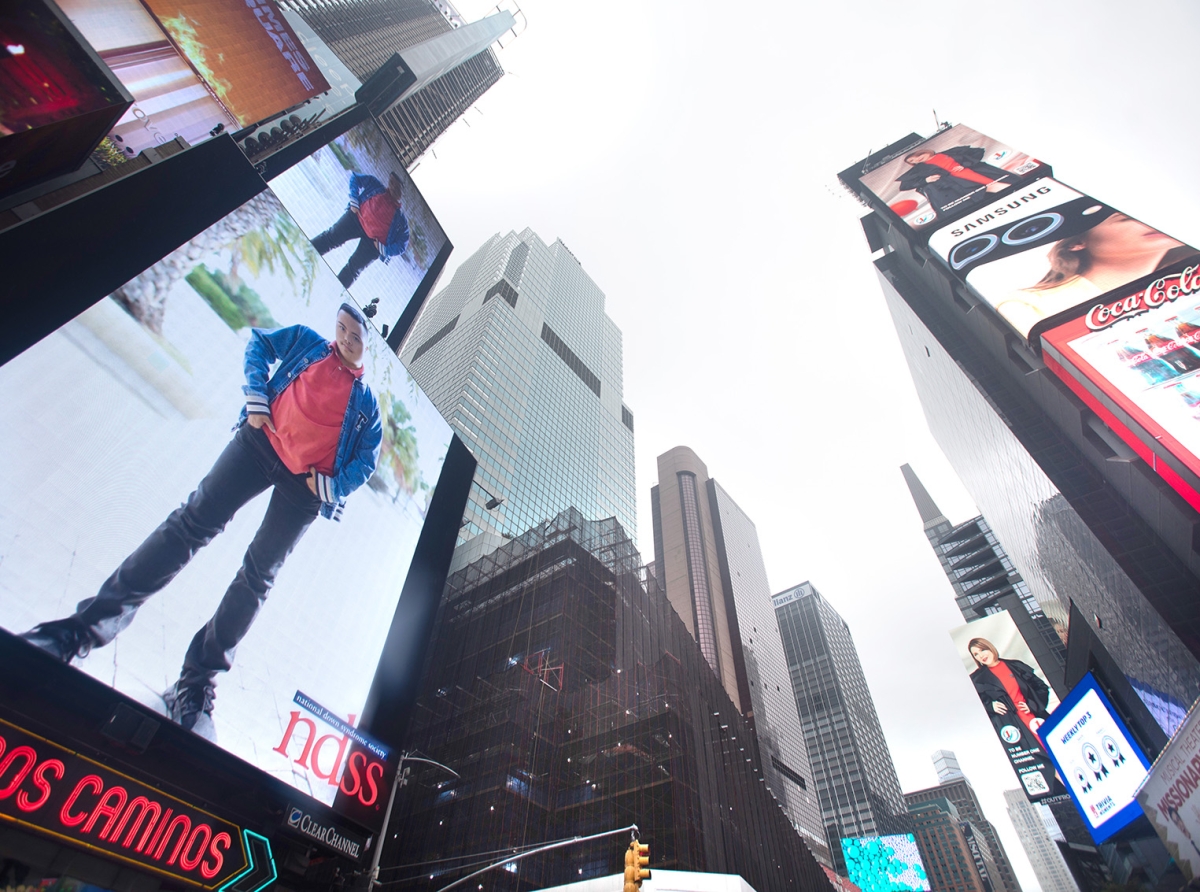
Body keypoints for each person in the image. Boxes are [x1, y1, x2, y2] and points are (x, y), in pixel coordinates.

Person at [20, 305, 382, 741]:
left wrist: (329, 487)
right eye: (341, 329)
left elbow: (366, 461)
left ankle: (194, 685)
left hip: (303, 489)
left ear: (368, 347)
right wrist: (256, 398)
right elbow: (259, 343)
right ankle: (77, 633)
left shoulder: (368, 404)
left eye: (354, 337)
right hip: (257, 445)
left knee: (258, 577)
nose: (344, 339)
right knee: (189, 525)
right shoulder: (306, 341)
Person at [995, 213, 1199, 335]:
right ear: (1076, 243)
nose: (1150, 219)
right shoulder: (1027, 306)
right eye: (1127, 218)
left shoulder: (1188, 278)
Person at [312, 171, 410, 288]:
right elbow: (355, 178)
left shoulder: (401, 222)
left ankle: (334, 291)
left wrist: (383, 249)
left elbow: (402, 246)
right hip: (356, 218)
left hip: (373, 243)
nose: (393, 187)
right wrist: (354, 201)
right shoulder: (375, 185)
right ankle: (305, 252)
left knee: (353, 269)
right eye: (391, 182)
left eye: (397, 187)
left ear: (402, 194)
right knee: (330, 238)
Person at [967, 638, 1051, 735]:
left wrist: (1032, 705)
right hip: (1009, 727)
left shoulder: (1016, 666)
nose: (981, 655)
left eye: (982, 650)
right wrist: (990, 706)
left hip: (1034, 718)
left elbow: (1041, 687)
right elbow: (973, 707)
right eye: (976, 654)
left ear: (990, 648)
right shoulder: (976, 679)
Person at [896, 146, 1012, 214]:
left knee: (996, 185)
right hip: (956, 183)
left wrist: (965, 164)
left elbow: (978, 151)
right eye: (912, 161)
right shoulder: (920, 169)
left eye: (915, 156)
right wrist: (926, 180)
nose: (916, 160)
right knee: (987, 191)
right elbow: (905, 185)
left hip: (970, 172)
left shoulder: (949, 153)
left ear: (921, 152)